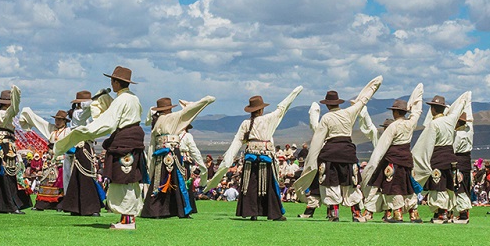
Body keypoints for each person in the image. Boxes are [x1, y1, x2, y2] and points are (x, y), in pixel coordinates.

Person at [54, 66, 146, 230]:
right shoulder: (134, 99)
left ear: (116, 82)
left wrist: (86, 131)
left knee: (123, 179)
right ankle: (127, 218)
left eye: (113, 81)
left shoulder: (122, 100)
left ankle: (128, 221)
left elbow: (109, 122)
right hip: (133, 142)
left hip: (124, 142)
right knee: (128, 179)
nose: (112, 83)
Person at [295, 76, 383, 222]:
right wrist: (374, 85)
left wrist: (312, 161)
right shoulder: (349, 112)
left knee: (331, 183)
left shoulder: (326, 118)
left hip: (330, 154)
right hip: (347, 153)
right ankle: (356, 214)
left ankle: (334, 214)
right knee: (350, 183)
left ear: (327, 105)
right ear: (337, 103)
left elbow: (318, 140)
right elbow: (363, 101)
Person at [208, 86, 303, 221]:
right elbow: (282, 108)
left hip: (250, 158)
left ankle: (252, 212)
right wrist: (294, 93)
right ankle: (273, 213)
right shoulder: (268, 119)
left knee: (250, 185)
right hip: (265, 157)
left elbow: (237, 142)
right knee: (268, 185)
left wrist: (228, 159)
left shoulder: (246, 123)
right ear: (261, 109)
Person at [141, 95, 215, 219]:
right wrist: (204, 101)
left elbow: (152, 140)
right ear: (169, 108)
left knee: (162, 180)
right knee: (177, 181)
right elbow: (189, 111)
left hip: (164, 153)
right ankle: (180, 210)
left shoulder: (158, 120)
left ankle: (157, 210)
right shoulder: (172, 117)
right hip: (170, 153)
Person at [361, 84, 423, 223]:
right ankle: (414, 213)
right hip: (407, 160)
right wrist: (417, 99)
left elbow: (382, 146)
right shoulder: (410, 123)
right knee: (407, 185)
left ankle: (397, 214)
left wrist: (374, 163)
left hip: (392, 161)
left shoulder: (393, 126)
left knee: (394, 186)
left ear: (395, 112)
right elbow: (417, 113)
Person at [412, 91, 472, 224]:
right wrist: (464, 100)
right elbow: (458, 110)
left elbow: (427, 144)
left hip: (438, 158)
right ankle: (448, 212)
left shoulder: (433, 124)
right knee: (449, 185)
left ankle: (441, 214)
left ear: (433, 109)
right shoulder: (451, 120)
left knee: (438, 185)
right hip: (451, 159)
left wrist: (420, 158)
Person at [0, 86, 32, 214]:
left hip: (3, 145)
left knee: (1, 174)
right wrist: (17, 96)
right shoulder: (4, 114)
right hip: (6, 147)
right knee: (7, 174)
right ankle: (10, 204)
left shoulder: (1, 115)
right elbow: (14, 110)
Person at [452, 105, 474, 224]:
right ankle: (462, 213)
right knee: (465, 186)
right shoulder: (469, 131)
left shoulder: (458, 135)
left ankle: (463, 213)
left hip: (459, 161)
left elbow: (453, 149)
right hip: (467, 162)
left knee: (458, 187)